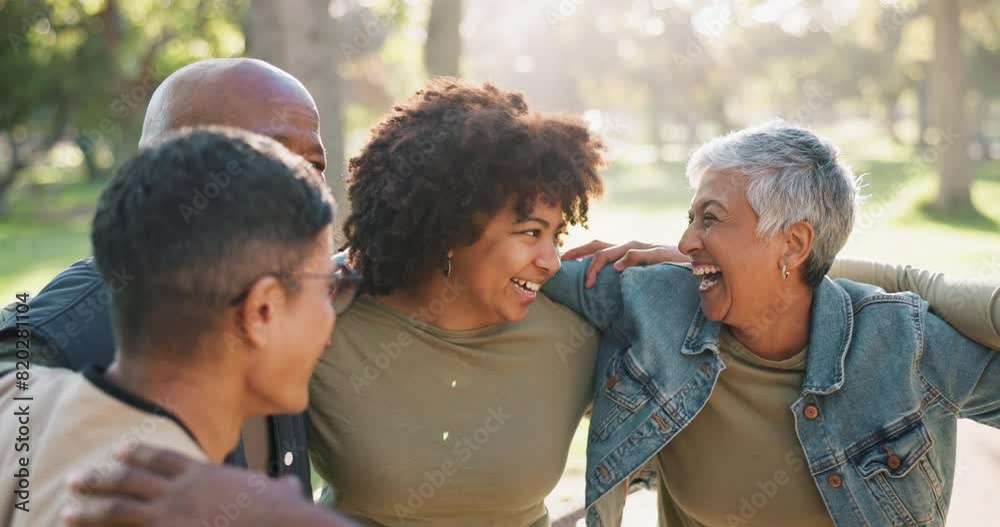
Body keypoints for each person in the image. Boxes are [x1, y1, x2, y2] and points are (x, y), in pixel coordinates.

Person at [62, 90, 999, 527]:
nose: (553, 256)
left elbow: (783, 287)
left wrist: (854, 270)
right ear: (450, 227)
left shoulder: (596, 311)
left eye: (560, 230)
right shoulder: (313, 319)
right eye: (530, 232)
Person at [539, 121, 1000, 526]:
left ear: (795, 243)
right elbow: (513, 268)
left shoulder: (904, 342)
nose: (683, 242)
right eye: (691, 219)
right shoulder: (650, 299)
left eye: (711, 219)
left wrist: (908, 281)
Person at [0, 57, 328, 494]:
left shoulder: (285, 309)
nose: (309, 189)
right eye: (274, 158)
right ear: (169, 166)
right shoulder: (41, 350)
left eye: (315, 166)